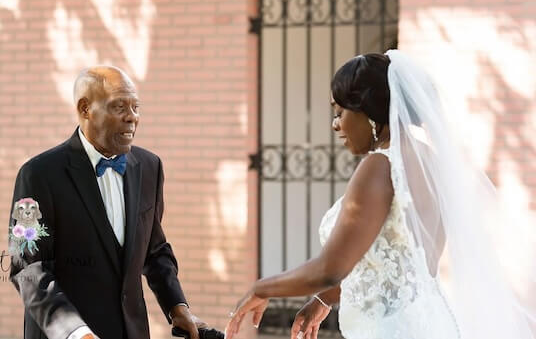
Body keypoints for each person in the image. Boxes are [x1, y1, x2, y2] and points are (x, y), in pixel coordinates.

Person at [225, 50, 536, 339]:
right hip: (428, 323)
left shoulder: (379, 165)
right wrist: (326, 298)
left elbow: (328, 269)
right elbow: (396, 271)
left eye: (340, 111)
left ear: (369, 113)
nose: (336, 125)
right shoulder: (430, 162)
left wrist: (261, 288)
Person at [8, 66, 206, 339]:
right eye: (119, 107)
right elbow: (28, 268)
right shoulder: (37, 175)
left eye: (136, 107)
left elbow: (155, 249)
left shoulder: (149, 167)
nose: (132, 117)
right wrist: (75, 332)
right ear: (85, 108)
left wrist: (177, 306)